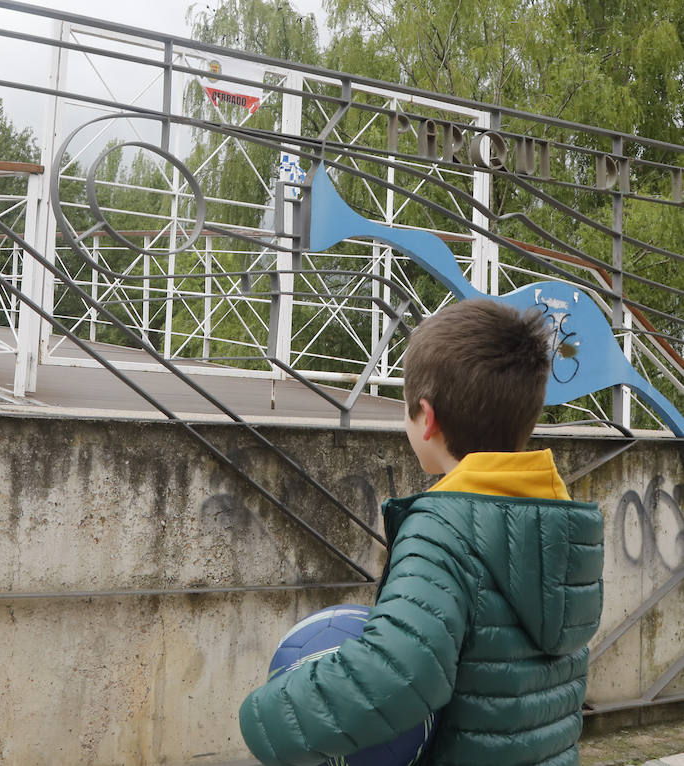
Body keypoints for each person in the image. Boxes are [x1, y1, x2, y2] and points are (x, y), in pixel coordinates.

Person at [239, 298, 605, 766]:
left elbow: (397, 676)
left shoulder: (442, 530)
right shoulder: (564, 521)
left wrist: (265, 716)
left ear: (426, 418)